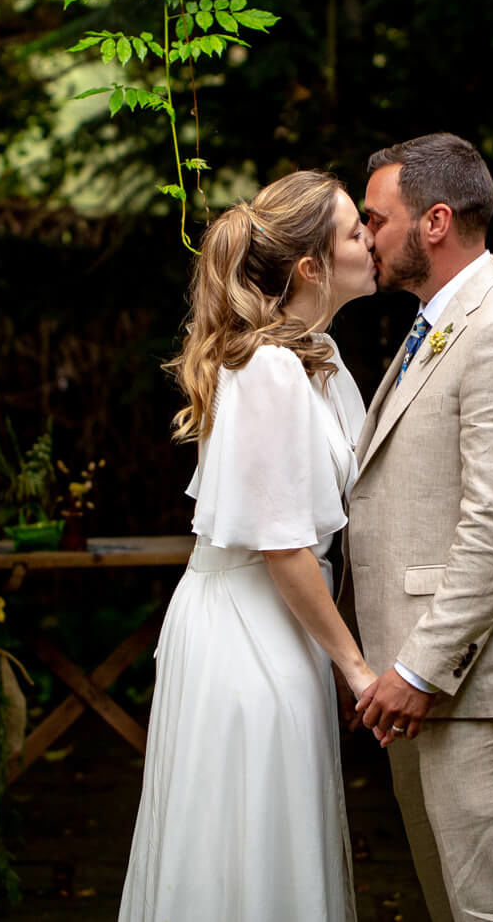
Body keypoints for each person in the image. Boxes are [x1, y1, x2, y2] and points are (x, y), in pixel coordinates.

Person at [119, 169, 378, 922]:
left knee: (276, 836)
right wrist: (355, 666)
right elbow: (282, 547)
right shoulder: (268, 368)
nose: (370, 239)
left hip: (283, 625)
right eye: (355, 229)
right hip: (247, 632)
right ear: (312, 266)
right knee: (245, 839)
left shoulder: (315, 356)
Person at [347, 132, 493, 922]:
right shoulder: (439, 322)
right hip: (422, 674)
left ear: (435, 221)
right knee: (452, 907)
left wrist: (421, 671)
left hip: (470, 682)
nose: (364, 235)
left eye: (377, 220)